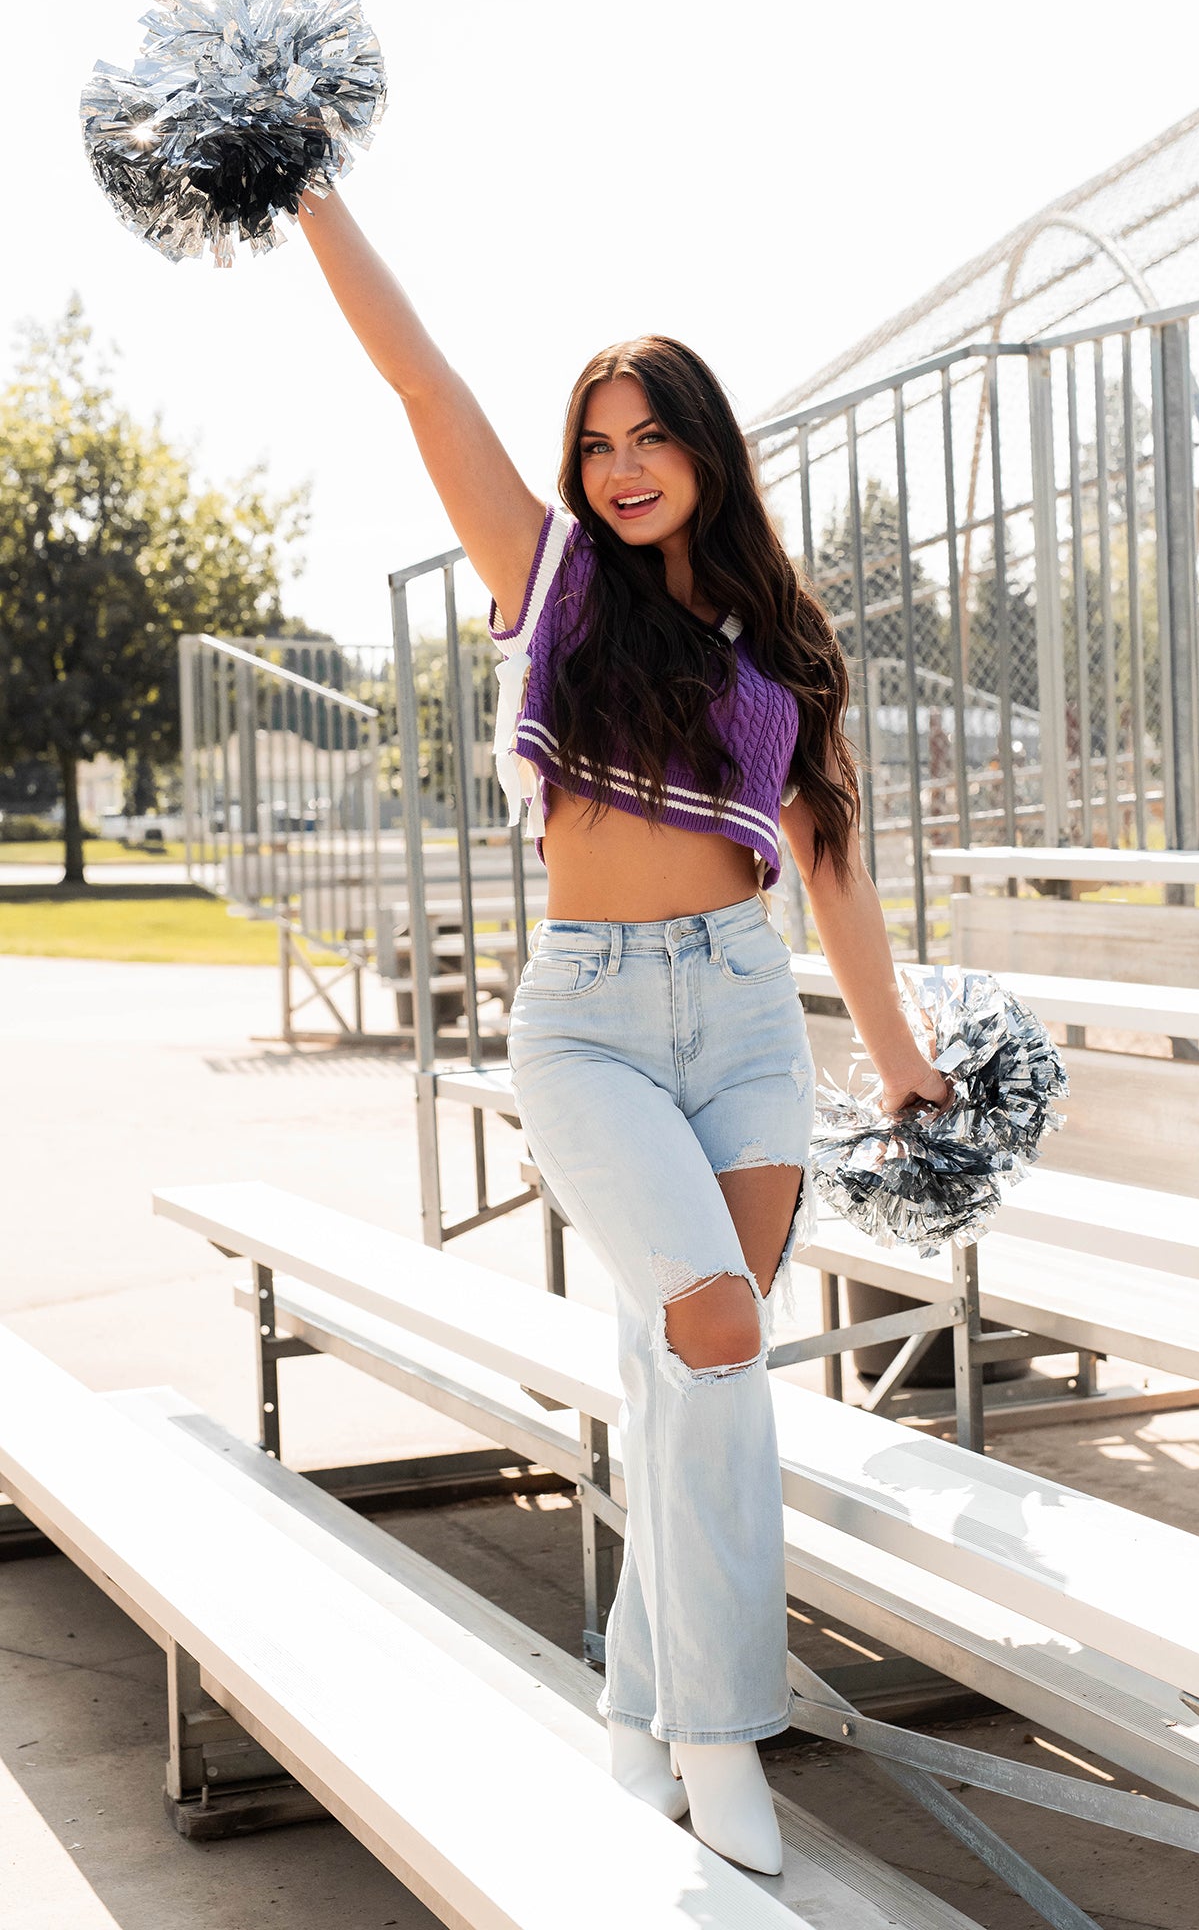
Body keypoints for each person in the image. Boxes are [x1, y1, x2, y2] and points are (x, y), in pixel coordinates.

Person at [296, 187, 950, 1875]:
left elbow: (833, 874)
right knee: (714, 1331)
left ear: (710, 451)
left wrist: (896, 1060)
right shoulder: (558, 582)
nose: (622, 463)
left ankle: (641, 1699)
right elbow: (424, 387)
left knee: (695, 1375)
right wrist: (312, 193)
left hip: (742, 1019)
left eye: (653, 434)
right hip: (587, 1025)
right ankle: (723, 1731)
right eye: (598, 440)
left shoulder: (787, 653)